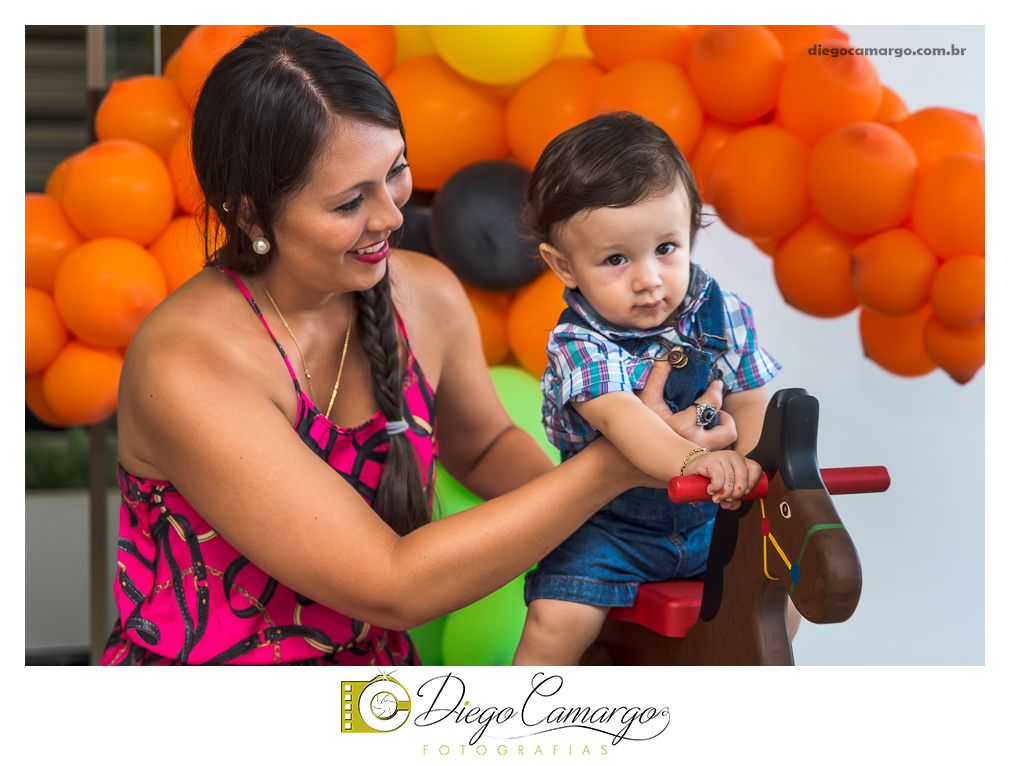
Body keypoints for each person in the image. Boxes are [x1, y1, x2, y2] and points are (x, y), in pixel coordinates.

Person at [101, 27, 753, 666]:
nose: (390, 215)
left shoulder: (427, 295)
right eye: (350, 200)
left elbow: (485, 447)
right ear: (250, 215)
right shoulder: (185, 364)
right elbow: (392, 585)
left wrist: (631, 518)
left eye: (397, 172)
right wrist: (613, 465)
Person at [513, 112, 781, 666]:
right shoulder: (578, 344)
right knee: (555, 617)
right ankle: (517, 727)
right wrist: (699, 460)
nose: (649, 278)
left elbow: (751, 397)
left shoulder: (719, 312)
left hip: (712, 520)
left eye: (666, 247)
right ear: (563, 265)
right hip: (612, 529)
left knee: (779, 587)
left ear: (691, 231)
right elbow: (628, 425)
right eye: (616, 259)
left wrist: (751, 471)